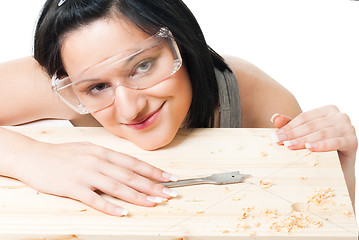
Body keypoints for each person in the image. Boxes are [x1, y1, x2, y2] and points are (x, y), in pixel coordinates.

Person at [0, 0, 357, 216]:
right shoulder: (67, 78)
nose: (129, 110)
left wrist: (340, 166)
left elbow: (315, 218)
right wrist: (29, 158)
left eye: (142, 66)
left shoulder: (256, 98)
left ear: (182, 44)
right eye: (97, 87)